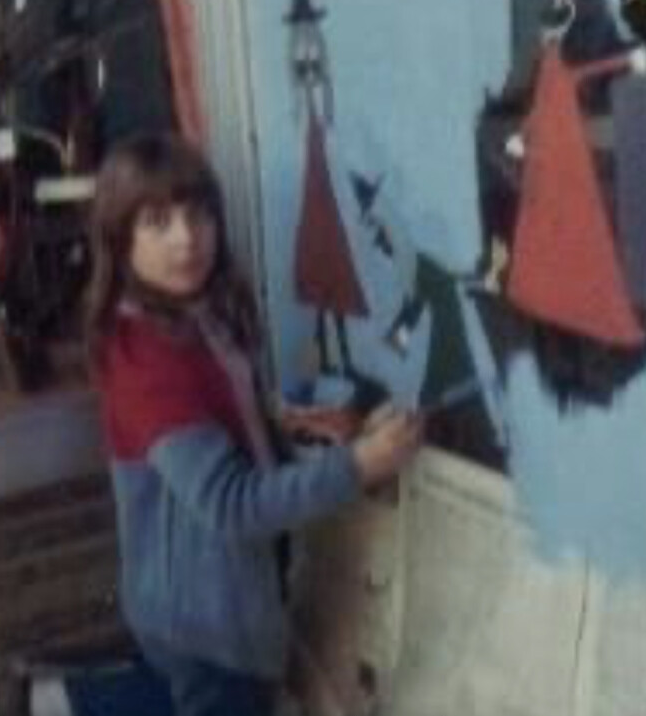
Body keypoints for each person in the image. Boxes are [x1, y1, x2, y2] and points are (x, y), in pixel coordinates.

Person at [85, 132, 423, 716]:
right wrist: (361, 464)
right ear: (120, 242)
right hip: (206, 631)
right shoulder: (145, 356)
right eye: (156, 222)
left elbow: (234, 432)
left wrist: (318, 432)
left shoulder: (201, 316)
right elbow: (233, 504)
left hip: (205, 606)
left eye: (197, 214)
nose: (186, 238)